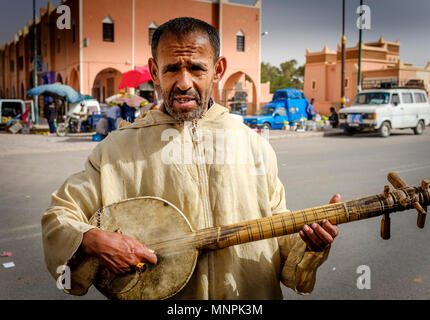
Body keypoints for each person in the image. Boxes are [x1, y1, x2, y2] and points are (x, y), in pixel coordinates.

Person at [41, 17, 339, 300]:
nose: (184, 83)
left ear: (218, 68)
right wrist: (93, 239)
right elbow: (59, 217)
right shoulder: (115, 150)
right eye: (172, 69)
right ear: (155, 71)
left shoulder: (253, 145)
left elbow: (277, 234)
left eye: (196, 68)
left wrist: (309, 245)